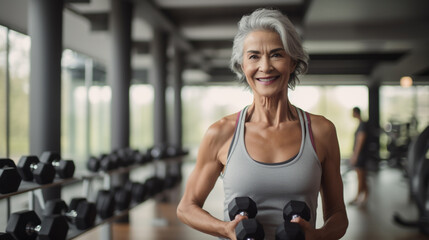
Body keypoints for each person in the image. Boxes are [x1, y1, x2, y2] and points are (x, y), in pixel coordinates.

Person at [177, 8, 348, 240]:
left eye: (277, 54)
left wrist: (318, 236)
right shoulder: (221, 133)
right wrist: (224, 229)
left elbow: (338, 215)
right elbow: (186, 207)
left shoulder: (322, 131)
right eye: (254, 56)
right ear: (242, 65)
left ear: (293, 61)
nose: (265, 67)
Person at [349, 107, 369, 205]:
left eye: (352, 112)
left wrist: (355, 155)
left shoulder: (362, 125)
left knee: (360, 176)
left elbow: (360, 141)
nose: (351, 114)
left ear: (356, 113)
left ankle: (357, 197)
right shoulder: (361, 124)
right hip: (361, 154)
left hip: (361, 155)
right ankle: (365, 194)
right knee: (362, 176)